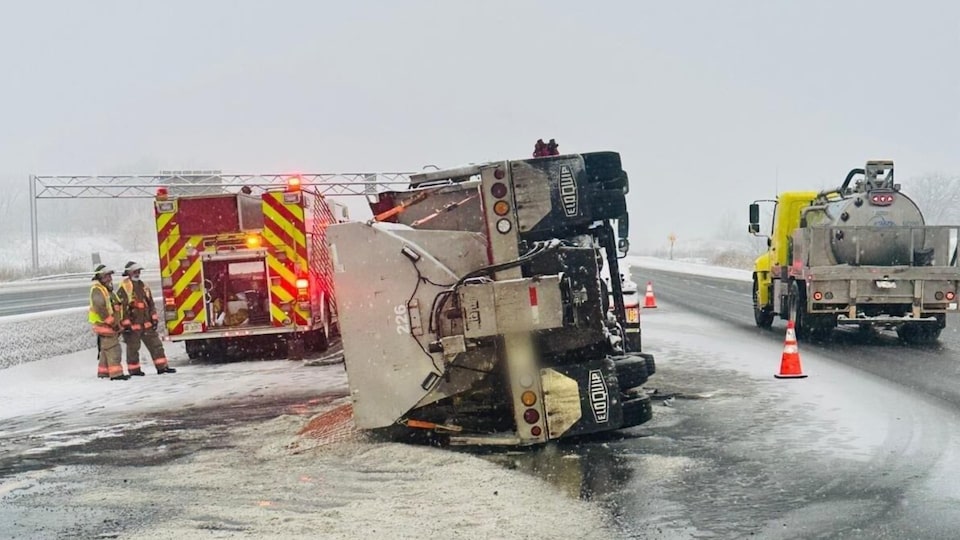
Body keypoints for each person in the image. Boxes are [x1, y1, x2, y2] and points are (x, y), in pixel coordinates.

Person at [117, 261, 177, 375]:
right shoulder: (125, 287)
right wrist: (126, 324)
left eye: (139, 271)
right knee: (133, 349)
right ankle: (134, 370)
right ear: (128, 273)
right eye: (135, 271)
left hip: (146, 324)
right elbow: (121, 308)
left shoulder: (143, 286)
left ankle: (162, 367)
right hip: (132, 326)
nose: (138, 273)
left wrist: (154, 319)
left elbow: (151, 304)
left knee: (156, 346)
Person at [89, 264, 129, 380]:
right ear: (100, 277)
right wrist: (113, 323)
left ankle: (104, 373)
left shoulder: (107, 290)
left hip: (109, 325)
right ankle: (116, 374)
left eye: (110, 276)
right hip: (106, 326)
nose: (109, 278)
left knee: (106, 350)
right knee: (114, 349)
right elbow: (101, 309)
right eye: (106, 276)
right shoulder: (98, 290)